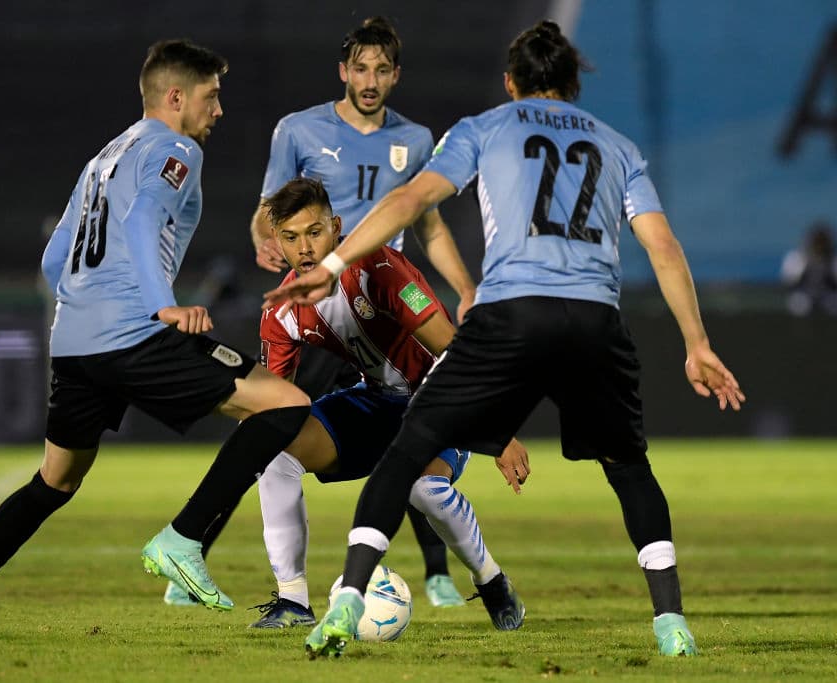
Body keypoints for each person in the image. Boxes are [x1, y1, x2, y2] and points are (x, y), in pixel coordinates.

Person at [265, 21, 745, 659]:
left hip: (512, 313)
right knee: (629, 467)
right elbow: (662, 245)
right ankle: (671, 623)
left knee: (406, 453)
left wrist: (331, 265)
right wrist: (697, 343)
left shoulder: (485, 127)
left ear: (510, 83)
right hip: (595, 320)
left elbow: (410, 202)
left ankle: (347, 602)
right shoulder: (619, 147)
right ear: (573, 85)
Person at [0, 39, 310, 633]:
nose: (219, 110)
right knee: (286, 403)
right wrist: (161, 305)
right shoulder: (176, 148)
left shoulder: (104, 157)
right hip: (134, 333)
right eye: (212, 96)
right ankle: (184, 538)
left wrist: (84, 310)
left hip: (74, 343)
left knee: (54, 481)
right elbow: (143, 218)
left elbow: (54, 260)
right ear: (177, 97)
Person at [208, 178, 529, 628]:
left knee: (424, 490)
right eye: (291, 237)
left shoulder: (379, 269)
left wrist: (500, 433)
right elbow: (275, 406)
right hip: (377, 403)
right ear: (276, 241)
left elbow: (454, 351)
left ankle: (491, 581)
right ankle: (293, 601)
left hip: (437, 401)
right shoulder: (282, 311)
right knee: (273, 447)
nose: (305, 248)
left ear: (336, 228)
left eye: (314, 232)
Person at [246, 15, 477, 608]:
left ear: (396, 75)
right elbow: (267, 212)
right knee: (273, 429)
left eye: (381, 70)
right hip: (321, 305)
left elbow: (428, 225)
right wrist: (266, 242)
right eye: (360, 68)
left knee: (415, 415)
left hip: (383, 299)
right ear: (343, 72)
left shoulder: (416, 140)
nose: (370, 80)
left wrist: (463, 286)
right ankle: (204, 547)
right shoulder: (298, 130)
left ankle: (439, 573)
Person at [781, 220, 837, 316]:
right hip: (804, 294)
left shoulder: (833, 259)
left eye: (822, 242)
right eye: (817, 241)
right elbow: (789, 282)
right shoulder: (798, 257)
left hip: (827, 294)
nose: (819, 245)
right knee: (799, 306)